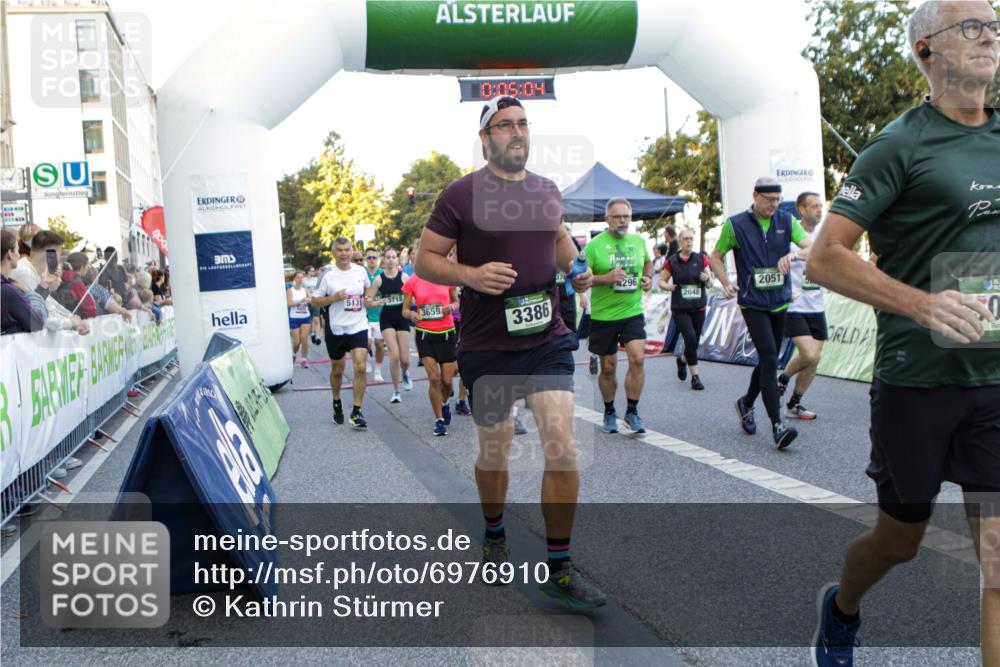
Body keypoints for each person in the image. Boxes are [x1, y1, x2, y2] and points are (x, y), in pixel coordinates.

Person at [806, 3, 1000, 665]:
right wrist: (921, 305)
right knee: (900, 538)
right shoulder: (899, 143)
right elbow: (825, 255)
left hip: (994, 381)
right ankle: (842, 607)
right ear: (926, 49)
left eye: (995, 24)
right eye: (970, 26)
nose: (989, 35)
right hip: (916, 381)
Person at [415, 95, 605, 609]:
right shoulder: (460, 195)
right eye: (504, 125)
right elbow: (424, 260)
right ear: (485, 137)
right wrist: (470, 274)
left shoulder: (546, 191)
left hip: (547, 339)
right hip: (486, 343)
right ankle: (494, 532)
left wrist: (576, 269)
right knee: (494, 452)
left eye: (523, 123)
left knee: (562, 446)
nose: (516, 132)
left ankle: (559, 568)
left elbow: (561, 243)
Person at [709, 177, 812, 450]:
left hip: (779, 301)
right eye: (769, 200)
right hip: (752, 303)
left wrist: (794, 257)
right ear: (755, 196)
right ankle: (777, 425)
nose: (774, 205)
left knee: (769, 361)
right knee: (768, 357)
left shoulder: (786, 221)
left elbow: (812, 247)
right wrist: (726, 282)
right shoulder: (736, 224)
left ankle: (746, 402)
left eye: (778, 200)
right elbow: (715, 256)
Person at [586, 197, 654, 434]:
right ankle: (609, 411)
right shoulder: (594, 246)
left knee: (637, 358)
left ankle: (632, 412)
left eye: (626, 216)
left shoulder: (638, 241)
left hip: (632, 311)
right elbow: (582, 279)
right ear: (607, 219)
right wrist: (607, 278)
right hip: (604, 316)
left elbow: (648, 263)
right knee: (608, 367)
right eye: (618, 216)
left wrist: (648, 279)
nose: (623, 220)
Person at [309, 238, 371, 429]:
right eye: (340, 250)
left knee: (360, 367)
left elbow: (367, 290)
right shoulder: (328, 274)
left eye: (347, 250)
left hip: (358, 324)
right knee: (338, 369)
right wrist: (334, 297)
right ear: (334, 252)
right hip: (336, 327)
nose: (344, 253)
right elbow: (314, 301)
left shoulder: (360, 271)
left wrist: (368, 299)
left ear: (352, 251)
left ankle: (357, 411)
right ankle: (336, 401)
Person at [778, 192, 827, 419]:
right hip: (795, 305)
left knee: (814, 359)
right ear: (801, 209)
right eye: (814, 206)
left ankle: (795, 403)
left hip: (817, 305)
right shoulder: (789, 235)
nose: (819, 210)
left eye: (820, 206)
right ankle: (783, 379)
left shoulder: (825, 234)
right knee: (808, 354)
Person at [402, 247, 459, 436]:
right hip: (425, 334)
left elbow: (457, 302)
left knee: (447, 381)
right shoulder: (413, 281)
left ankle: (445, 404)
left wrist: (451, 307)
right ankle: (439, 420)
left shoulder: (446, 277)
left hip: (447, 333)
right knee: (434, 379)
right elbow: (405, 309)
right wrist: (411, 314)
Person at [659, 228, 711, 390]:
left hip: (698, 306)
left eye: (691, 239)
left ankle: (682, 360)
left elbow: (710, 283)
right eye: (686, 239)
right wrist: (668, 286)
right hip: (680, 307)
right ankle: (695, 377)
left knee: (693, 342)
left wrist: (707, 278)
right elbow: (661, 280)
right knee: (690, 338)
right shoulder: (672, 261)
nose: (689, 241)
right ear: (680, 241)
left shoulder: (702, 259)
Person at [11, 230, 89, 335]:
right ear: (51, 251)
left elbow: (48, 302)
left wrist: (71, 317)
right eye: (59, 251)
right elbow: (41, 314)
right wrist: (71, 322)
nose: (60, 256)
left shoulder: (34, 270)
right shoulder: (25, 273)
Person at [367, 248, 413, 403]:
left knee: (405, 359)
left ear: (397, 260)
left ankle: (405, 373)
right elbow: (368, 300)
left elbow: (412, 299)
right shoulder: (379, 279)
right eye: (388, 257)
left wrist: (410, 302)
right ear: (384, 260)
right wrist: (377, 302)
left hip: (402, 318)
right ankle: (396, 391)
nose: (391, 260)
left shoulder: (404, 277)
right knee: (394, 355)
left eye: (394, 257)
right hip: (386, 318)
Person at [1, 229, 44, 334]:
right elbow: (37, 323)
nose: (19, 255)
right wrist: (29, 293)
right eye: (17, 250)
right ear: (10, 253)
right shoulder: (6, 290)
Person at [362, 247, 386, 382]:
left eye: (374, 257)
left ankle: (378, 371)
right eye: (369, 257)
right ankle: (367, 359)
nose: (371, 260)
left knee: (379, 344)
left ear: (378, 259)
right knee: (367, 342)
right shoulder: (361, 273)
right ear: (366, 260)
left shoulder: (382, 273)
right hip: (364, 315)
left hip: (380, 316)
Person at [55, 252, 98, 319]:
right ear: (82, 267)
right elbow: (91, 311)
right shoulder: (77, 284)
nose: (87, 269)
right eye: (87, 266)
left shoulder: (59, 279)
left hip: (62, 318)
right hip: (78, 322)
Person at [287, 270, 312, 367]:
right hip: (295, 318)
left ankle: (304, 360)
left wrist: (309, 300)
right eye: (298, 278)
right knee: (297, 342)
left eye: (302, 278)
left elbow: (311, 299)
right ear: (294, 279)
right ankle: (294, 354)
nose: (300, 280)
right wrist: (300, 301)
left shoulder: (305, 290)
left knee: (304, 338)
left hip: (305, 316)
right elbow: (289, 304)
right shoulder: (290, 290)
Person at [304, 266, 322, 346]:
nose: (313, 272)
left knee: (316, 319)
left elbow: (319, 289)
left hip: (315, 301)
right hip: (307, 302)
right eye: (311, 271)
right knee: (310, 319)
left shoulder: (316, 279)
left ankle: (318, 336)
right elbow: (304, 290)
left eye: (314, 271)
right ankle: (312, 333)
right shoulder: (303, 280)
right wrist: (309, 296)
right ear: (307, 272)